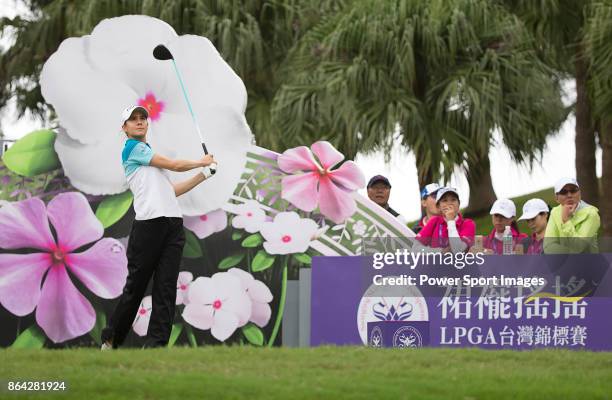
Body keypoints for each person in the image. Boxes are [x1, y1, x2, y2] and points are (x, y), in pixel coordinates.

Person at [101, 105, 217, 349]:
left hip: (172, 224)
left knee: (166, 288)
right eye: (133, 119)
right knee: (136, 287)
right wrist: (200, 161)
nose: (140, 122)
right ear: (125, 128)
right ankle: (111, 339)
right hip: (149, 226)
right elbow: (174, 165)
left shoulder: (149, 155)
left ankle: (156, 345)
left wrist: (204, 174)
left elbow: (171, 191)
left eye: (143, 118)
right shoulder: (133, 149)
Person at [544, 177, 600, 254]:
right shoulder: (555, 212)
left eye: (573, 190)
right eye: (564, 192)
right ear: (556, 198)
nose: (569, 195)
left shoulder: (591, 214)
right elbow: (548, 246)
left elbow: (578, 247)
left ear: (579, 193)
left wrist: (566, 221)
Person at [415, 187, 475, 253]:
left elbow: (458, 251)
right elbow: (415, 248)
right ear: (438, 207)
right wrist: (441, 251)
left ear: (459, 204)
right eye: (445, 200)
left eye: (453, 200)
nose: (449, 203)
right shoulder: (434, 221)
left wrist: (450, 221)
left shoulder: (468, 223)